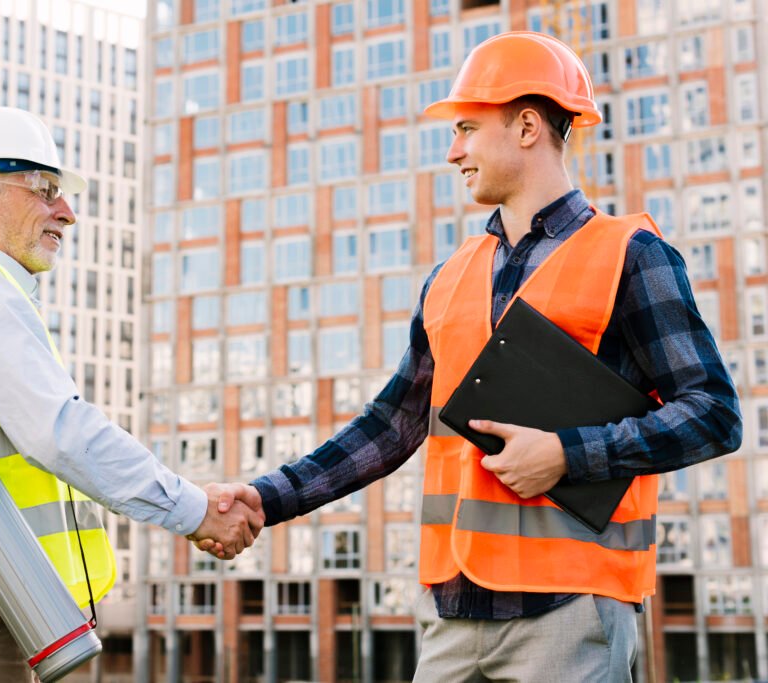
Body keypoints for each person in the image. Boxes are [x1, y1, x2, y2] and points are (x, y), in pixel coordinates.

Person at [204, 32, 742, 681]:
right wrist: (269, 498)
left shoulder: (630, 254)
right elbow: (390, 424)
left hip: (570, 612)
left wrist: (569, 454)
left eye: (465, 128)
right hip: (451, 616)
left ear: (524, 127)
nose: (453, 150)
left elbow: (713, 413)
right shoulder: (450, 276)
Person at [0, 107, 263, 682]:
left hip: (0, 599)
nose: (67, 213)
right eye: (44, 190)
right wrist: (195, 509)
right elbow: (58, 431)